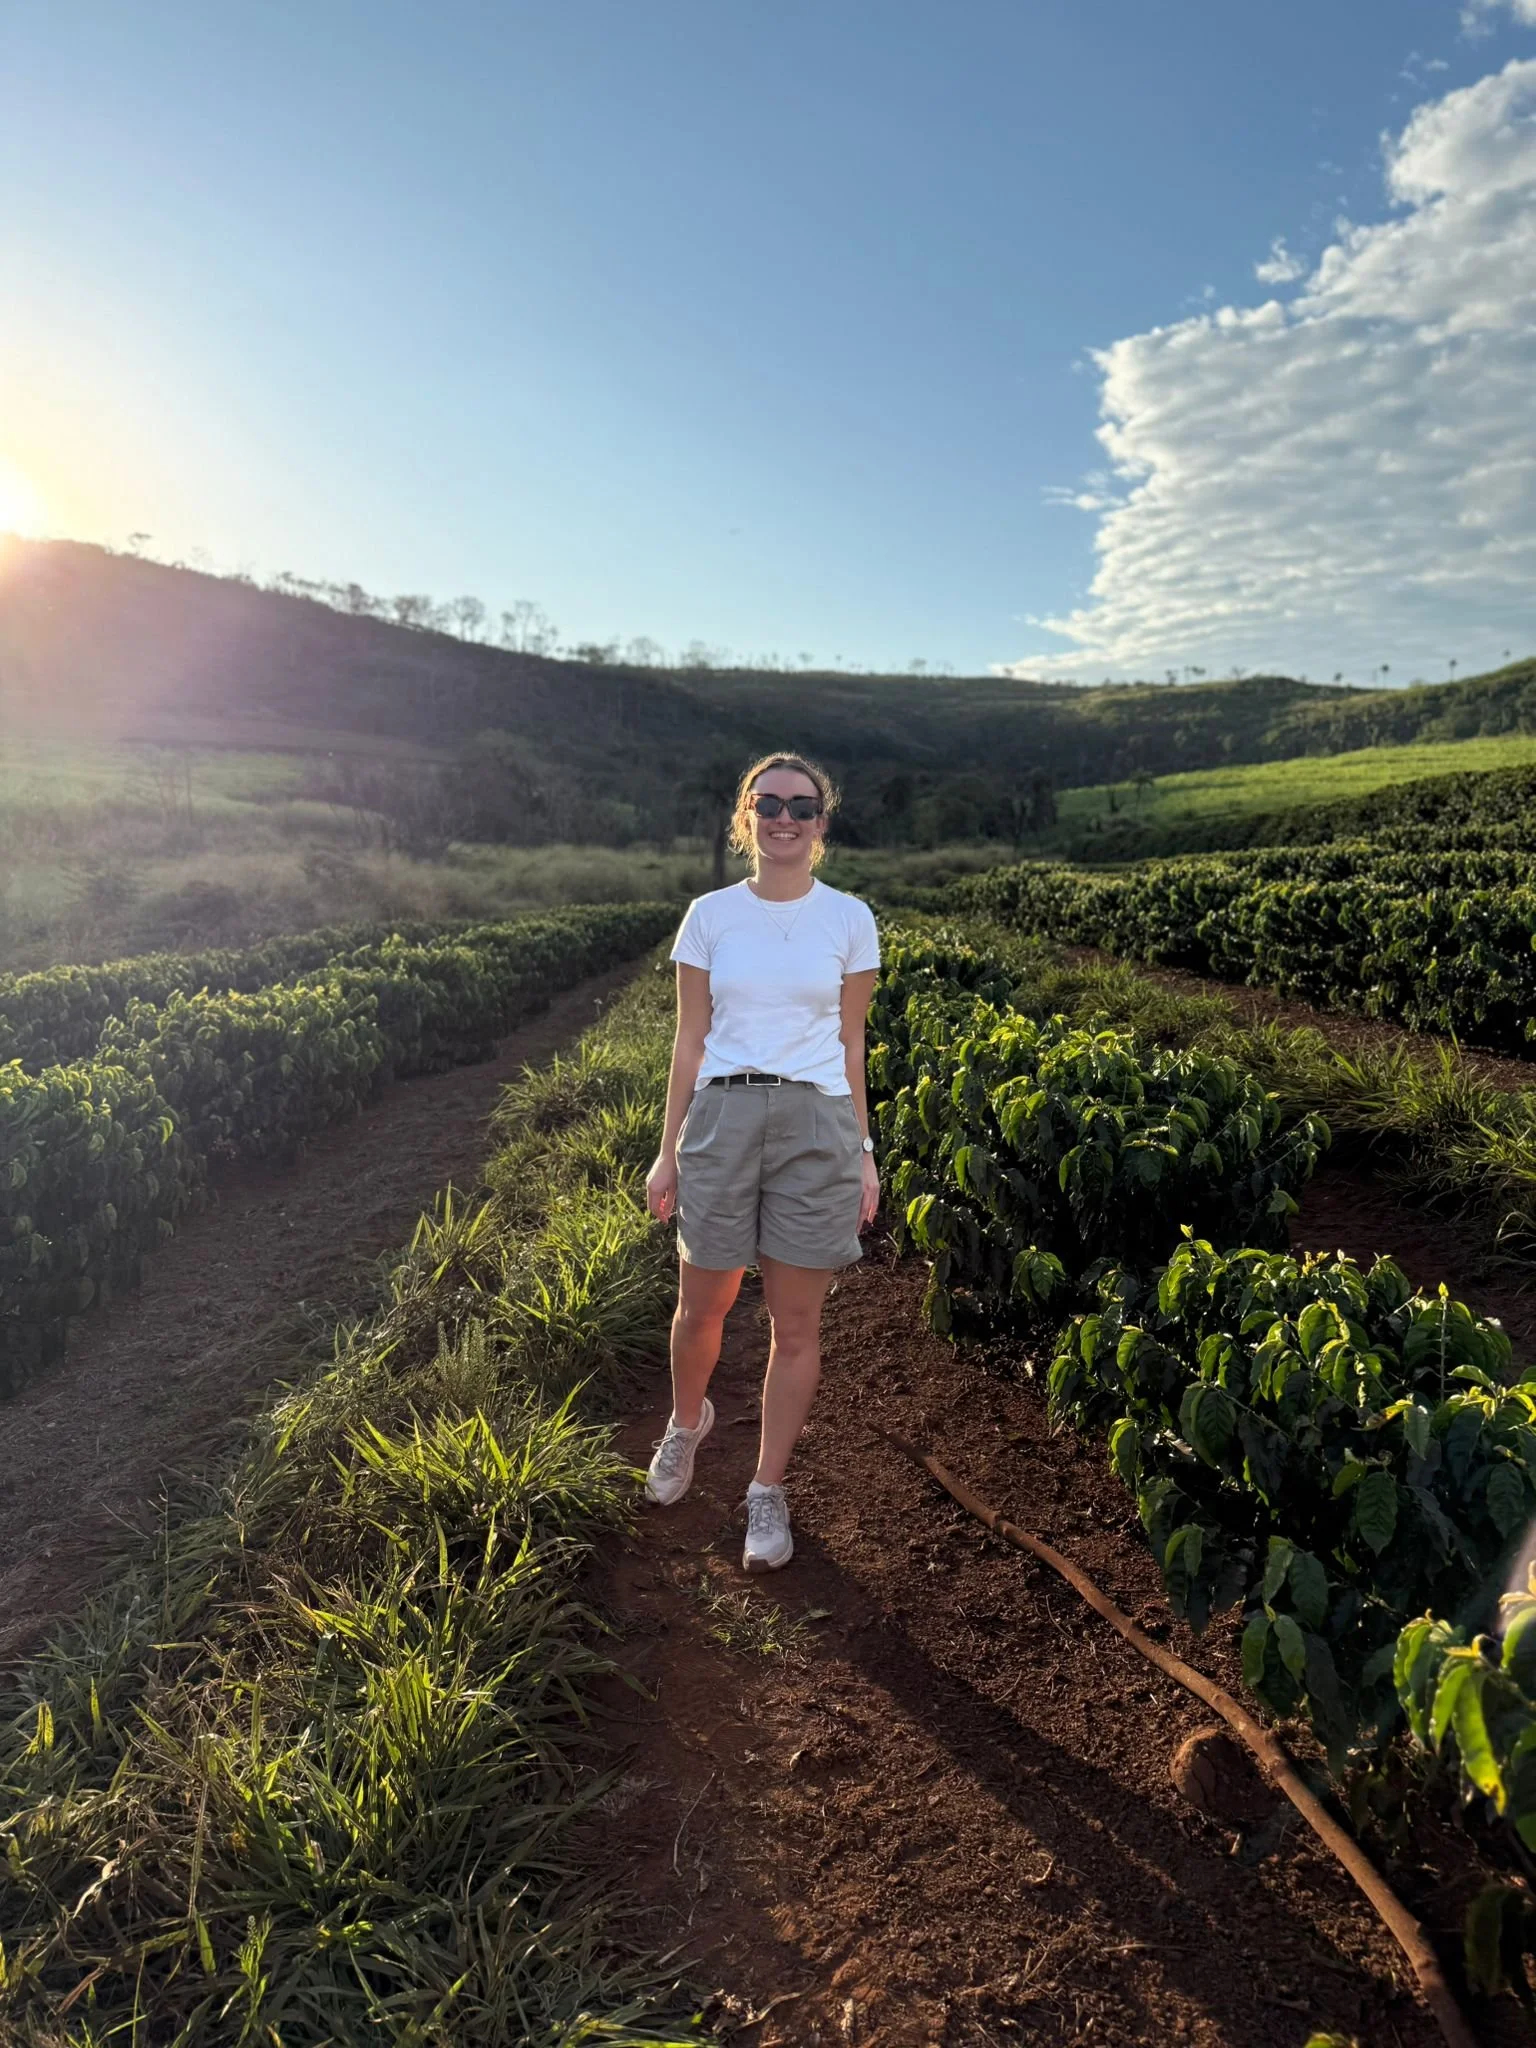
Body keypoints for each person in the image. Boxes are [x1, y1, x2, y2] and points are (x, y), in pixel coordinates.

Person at [643, 751, 881, 1571]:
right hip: (723, 1114)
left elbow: (851, 1045)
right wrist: (667, 1152)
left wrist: (864, 1152)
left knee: (796, 1322)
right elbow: (689, 1041)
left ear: (821, 822)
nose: (785, 817)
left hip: (817, 1123)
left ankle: (766, 1488)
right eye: (769, 803)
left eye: (801, 806)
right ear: (746, 816)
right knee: (701, 1304)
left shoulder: (849, 918)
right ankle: (686, 1425)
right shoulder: (709, 916)